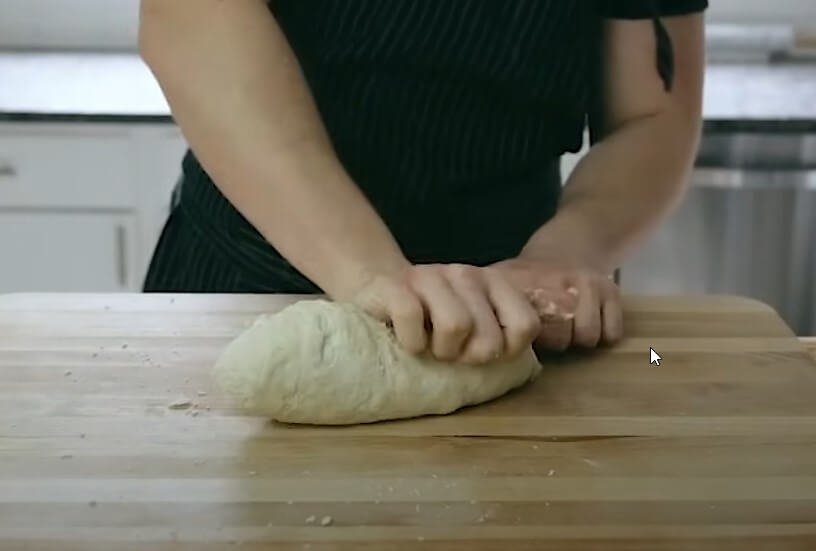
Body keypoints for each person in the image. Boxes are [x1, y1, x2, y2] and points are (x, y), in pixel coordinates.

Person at [139, 0, 706, 365]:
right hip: (253, 278)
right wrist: (369, 272)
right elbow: (188, 22)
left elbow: (652, 115)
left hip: (517, 311)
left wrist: (564, 254)